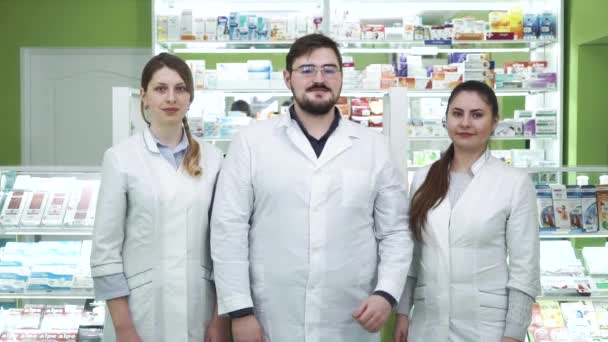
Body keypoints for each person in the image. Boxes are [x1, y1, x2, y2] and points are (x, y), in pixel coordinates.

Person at [211, 33, 413, 342]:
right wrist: (240, 311)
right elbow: (228, 229)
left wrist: (386, 293)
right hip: (271, 317)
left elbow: (395, 231)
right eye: (307, 70)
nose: (319, 78)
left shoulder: (374, 147)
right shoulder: (252, 143)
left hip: (350, 318)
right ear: (287, 78)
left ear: (342, 78)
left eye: (329, 70)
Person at [90, 53, 230, 342]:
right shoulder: (120, 159)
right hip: (139, 315)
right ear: (144, 97)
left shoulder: (215, 160)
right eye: (160, 88)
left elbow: (225, 246)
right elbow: (106, 250)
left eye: (180, 88)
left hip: (200, 312)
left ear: (190, 98)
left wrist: (218, 321)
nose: (171, 97)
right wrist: (124, 328)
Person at [393, 81, 540, 342]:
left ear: (494, 121)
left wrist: (514, 334)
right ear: (446, 118)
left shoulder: (514, 183)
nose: (465, 123)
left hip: (487, 329)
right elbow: (413, 255)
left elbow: (524, 270)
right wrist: (403, 313)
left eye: (477, 115)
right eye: (457, 113)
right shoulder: (423, 178)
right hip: (428, 324)